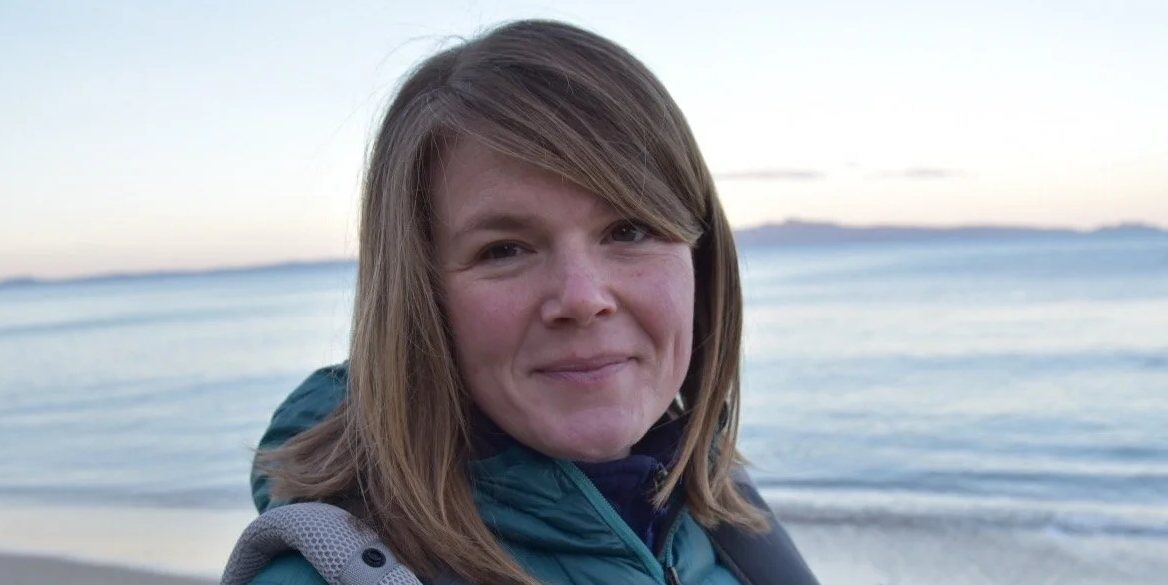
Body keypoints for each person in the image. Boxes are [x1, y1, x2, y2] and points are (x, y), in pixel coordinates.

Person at [229, 19, 819, 585]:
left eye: (629, 231)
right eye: (504, 250)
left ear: (700, 260)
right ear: (419, 301)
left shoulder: (723, 522)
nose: (582, 298)